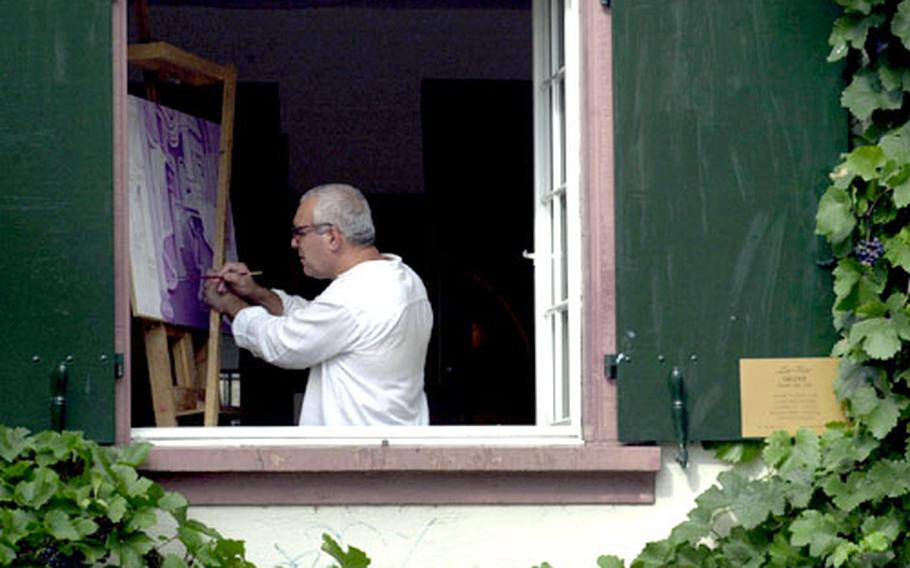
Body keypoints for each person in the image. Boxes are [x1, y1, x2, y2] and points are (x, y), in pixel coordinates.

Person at [203, 183, 432, 426]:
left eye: (300, 232)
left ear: (332, 237)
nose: (294, 243)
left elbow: (284, 342)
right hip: (388, 446)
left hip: (357, 456)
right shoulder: (402, 277)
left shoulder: (355, 295)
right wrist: (257, 294)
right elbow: (319, 321)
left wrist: (230, 304)